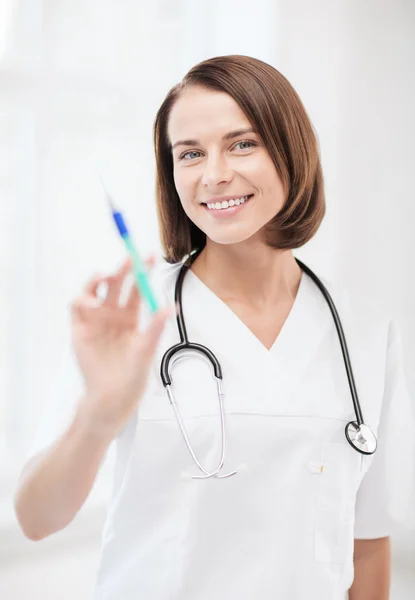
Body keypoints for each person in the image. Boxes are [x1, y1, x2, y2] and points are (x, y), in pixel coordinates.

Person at [14, 55, 414, 600]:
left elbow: (365, 541)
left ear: (290, 150)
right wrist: (98, 416)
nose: (214, 174)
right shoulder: (138, 318)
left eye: (242, 144)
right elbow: (37, 517)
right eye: (191, 153)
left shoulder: (363, 330)